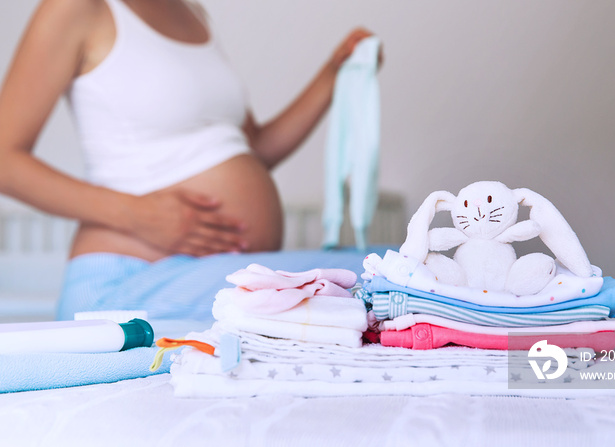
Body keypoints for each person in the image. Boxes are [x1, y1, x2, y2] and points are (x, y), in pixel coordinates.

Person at [0, 0, 380, 320]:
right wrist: (134, 213)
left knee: (382, 274)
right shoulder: (77, 7)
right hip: (126, 282)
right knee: (379, 275)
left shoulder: (190, 11)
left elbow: (252, 149)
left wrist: (334, 74)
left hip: (197, 272)